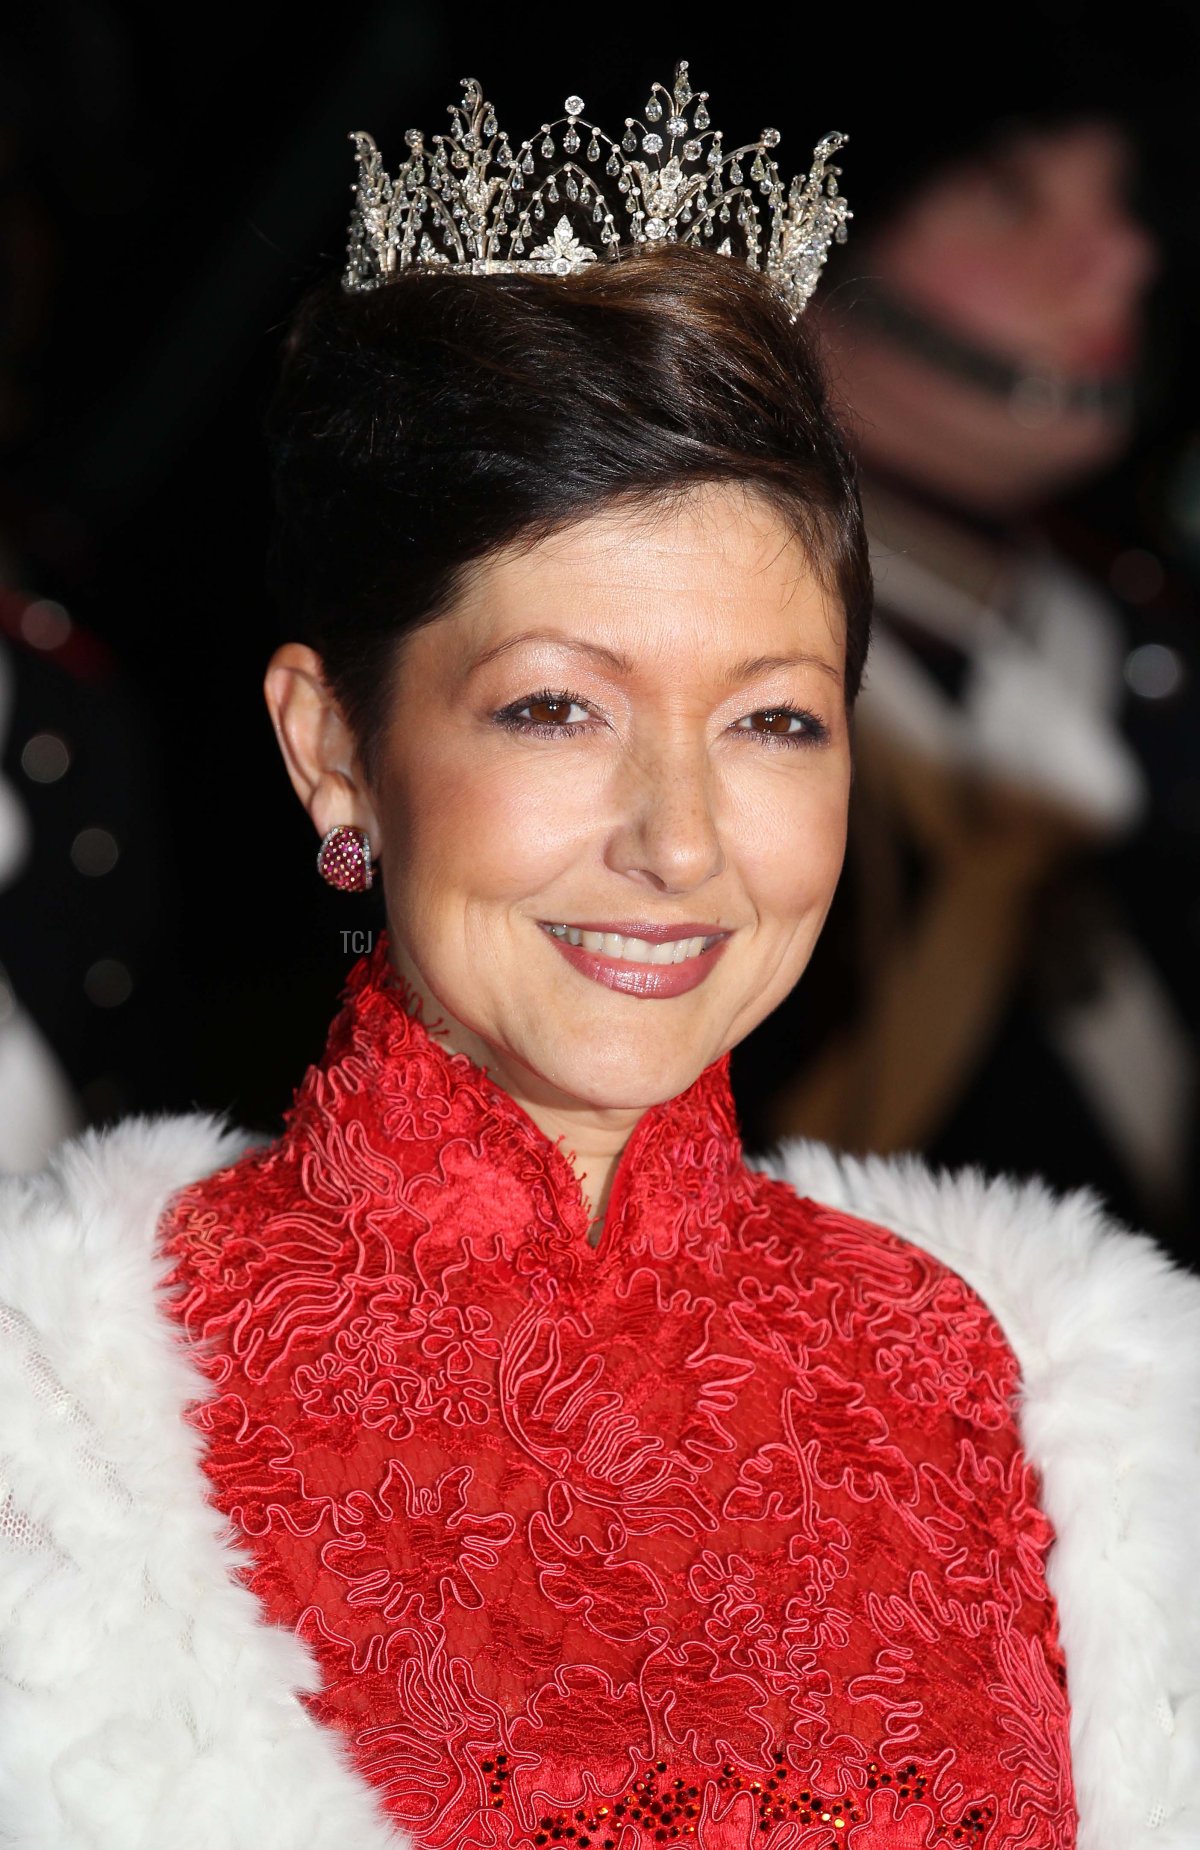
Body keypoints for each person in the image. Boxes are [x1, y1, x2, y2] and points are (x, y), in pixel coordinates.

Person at [1, 68, 1197, 1850]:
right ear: (333, 747)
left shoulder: (1061, 1401)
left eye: (775, 722)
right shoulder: (54, 1420)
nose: (682, 841)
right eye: (556, 707)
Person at [731, 102, 1199, 1249]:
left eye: (1115, 201)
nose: (1123, 256)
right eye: (1008, 195)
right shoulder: (678, 659)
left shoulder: (1126, 628)